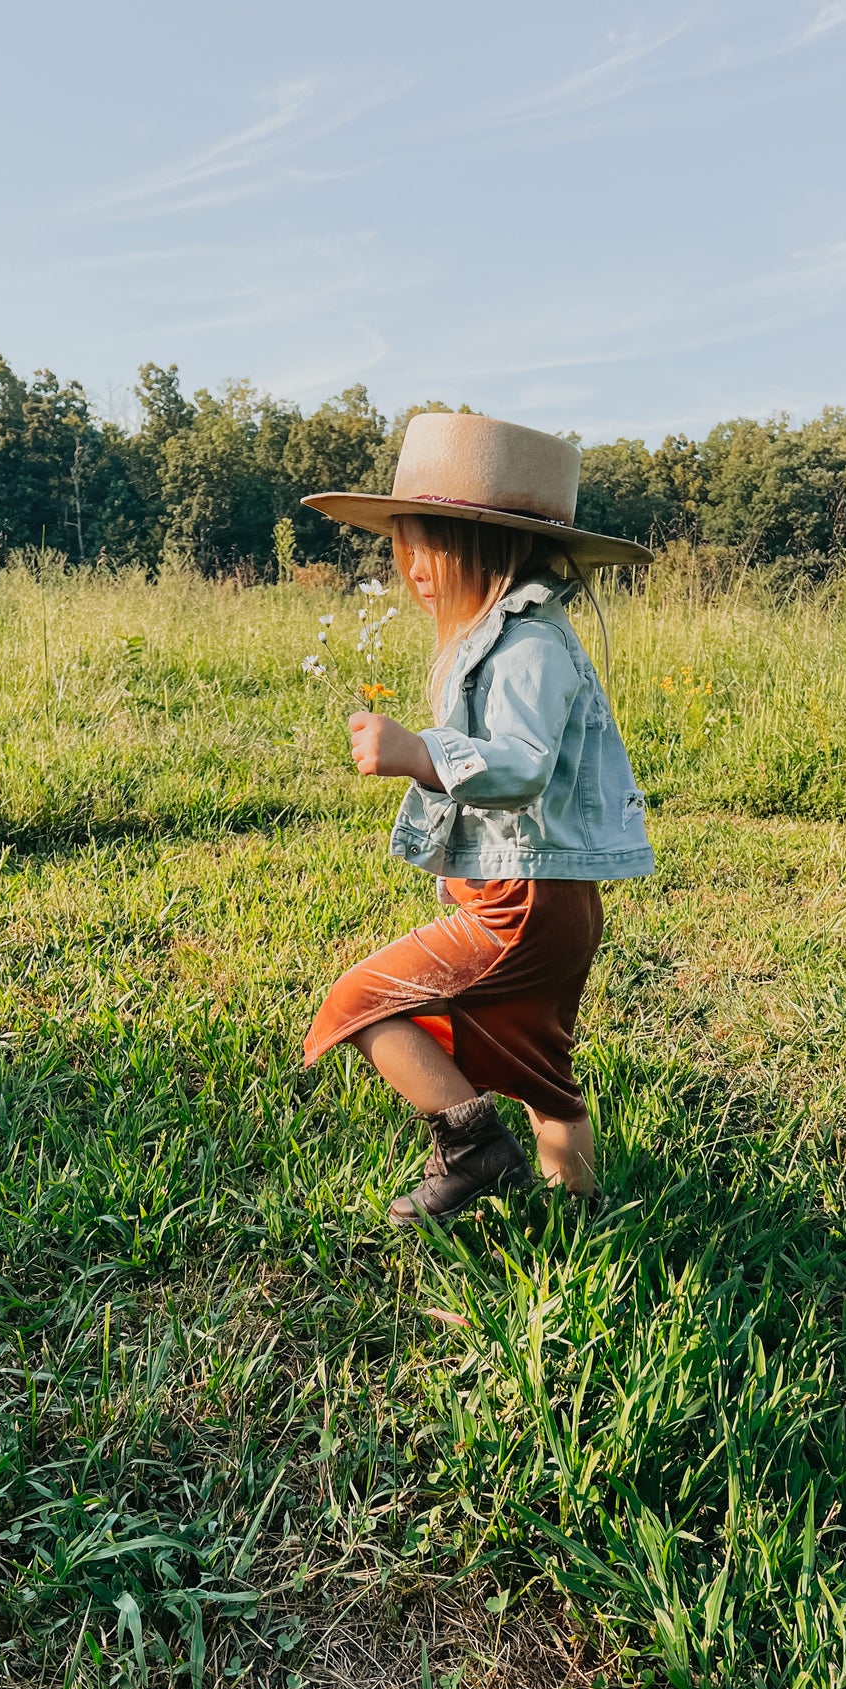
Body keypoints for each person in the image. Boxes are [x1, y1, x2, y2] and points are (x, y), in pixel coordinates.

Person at [300, 412, 654, 1226]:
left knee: (362, 1004)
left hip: (520, 904)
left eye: (430, 546)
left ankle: (472, 1149)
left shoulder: (527, 644)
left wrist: (420, 752)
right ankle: (573, 1223)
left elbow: (521, 763)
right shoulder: (514, 635)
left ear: (491, 547)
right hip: (550, 901)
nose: (413, 569)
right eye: (404, 549)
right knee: (545, 1077)